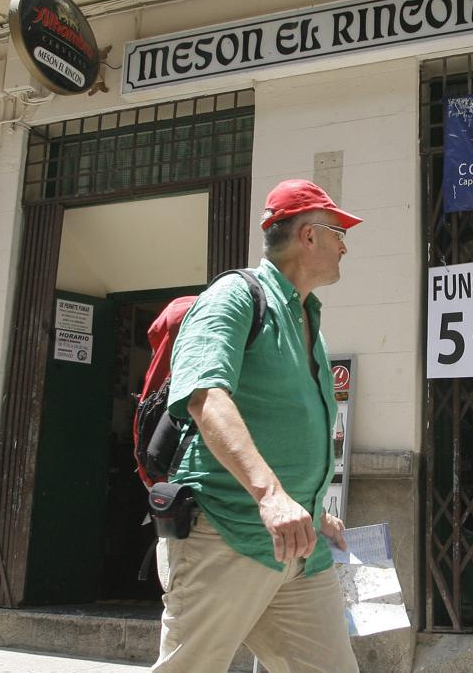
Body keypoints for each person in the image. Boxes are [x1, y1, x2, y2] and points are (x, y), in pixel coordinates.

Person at [152, 179, 362, 672]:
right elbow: (205, 396)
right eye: (339, 232)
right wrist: (270, 495)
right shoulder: (234, 296)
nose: (345, 245)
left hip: (302, 549)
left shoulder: (308, 317)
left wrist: (311, 506)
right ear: (309, 236)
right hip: (229, 535)